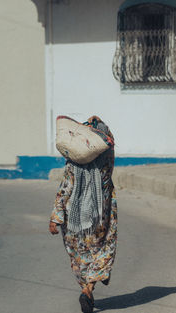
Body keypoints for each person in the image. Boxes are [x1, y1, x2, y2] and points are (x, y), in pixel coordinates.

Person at [49, 116, 117, 313]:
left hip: (73, 219)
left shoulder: (73, 166)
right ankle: (89, 288)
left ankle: (86, 286)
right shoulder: (105, 166)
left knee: (78, 255)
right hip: (100, 215)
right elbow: (109, 143)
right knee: (103, 247)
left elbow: (65, 188)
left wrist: (55, 217)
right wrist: (101, 125)